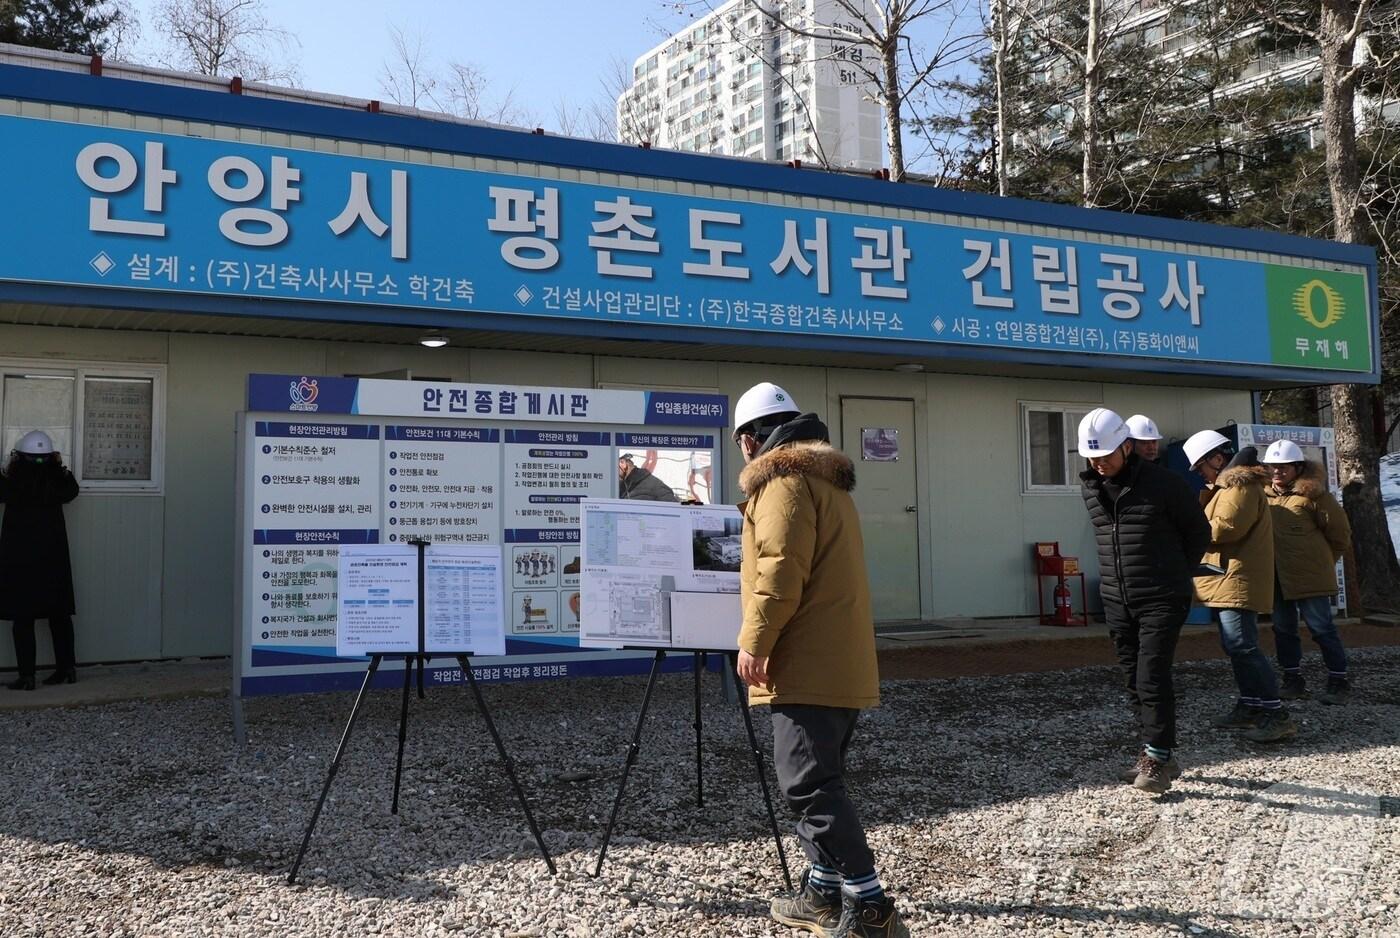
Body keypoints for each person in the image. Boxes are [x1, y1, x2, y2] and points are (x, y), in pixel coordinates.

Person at [731, 382, 906, 938]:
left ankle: (871, 905)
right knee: (817, 777)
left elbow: (780, 570)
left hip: (806, 659)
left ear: (750, 439)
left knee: (807, 784)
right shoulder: (825, 481)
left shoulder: (781, 483)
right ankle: (823, 892)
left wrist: (755, 641)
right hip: (834, 657)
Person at [1077, 408, 1209, 794]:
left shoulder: (1165, 484)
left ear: (1127, 447)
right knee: (1133, 680)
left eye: (1107, 456)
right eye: (1093, 457)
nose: (1100, 464)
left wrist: (1174, 573)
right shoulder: (1091, 487)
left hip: (1162, 597)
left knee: (1151, 676)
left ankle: (1155, 757)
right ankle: (1159, 751)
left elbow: (1198, 532)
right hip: (1117, 599)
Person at [1184, 430, 1297, 743]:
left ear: (1217, 459)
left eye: (1200, 467)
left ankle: (1276, 714)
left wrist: (1187, 524)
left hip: (1236, 578)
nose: (1200, 474)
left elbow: (1226, 528)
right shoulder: (1226, 487)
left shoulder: (1239, 485)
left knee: (1243, 645)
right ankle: (1250, 706)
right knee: (1235, 646)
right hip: (1226, 578)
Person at [1261, 439, 1354, 705]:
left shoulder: (1315, 496)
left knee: (1322, 628)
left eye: (1284, 467)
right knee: (1283, 629)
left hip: (1310, 576)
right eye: (1272, 467)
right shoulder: (1261, 496)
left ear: (1298, 468)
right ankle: (1292, 679)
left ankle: (1339, 680)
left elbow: (1340, 534)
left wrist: (1323, 562)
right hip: (1277, 577)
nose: (1277, 472)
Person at [1, 430, 80, 691]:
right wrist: (60, 468)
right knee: (59, 615)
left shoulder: (12, 481)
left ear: (20, 456)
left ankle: (27, 677)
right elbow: (72, 490)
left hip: (20, 558)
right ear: (49, 456)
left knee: (23, 618)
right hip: (54, 558)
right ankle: (67, 669)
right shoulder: (57, 479)